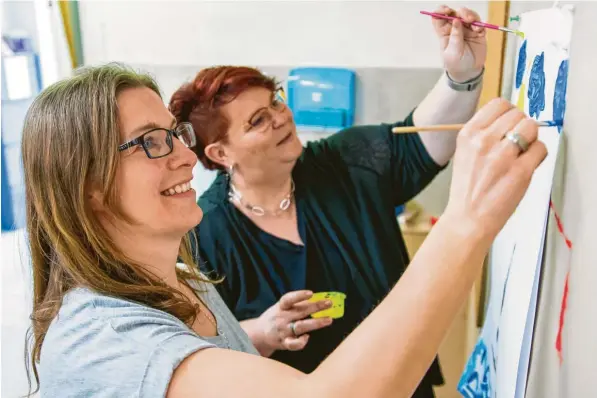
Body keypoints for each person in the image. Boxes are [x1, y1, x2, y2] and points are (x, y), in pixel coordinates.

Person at [24, 60, 546, 398]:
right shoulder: (107, 341)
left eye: (173, 136)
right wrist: (467, 222)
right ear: (86, 185)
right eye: (150, 142)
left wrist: (461, 79)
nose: (183, 157)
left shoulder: (186, 280)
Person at [168, 6, 486, 394]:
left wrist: (462, 76)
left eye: (276, 102)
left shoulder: (343, 162)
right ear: (221, 154)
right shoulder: (206, 235)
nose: (281, 118)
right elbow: (200, 352)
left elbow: (424, 141)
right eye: (257, 121)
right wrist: (263, 332)